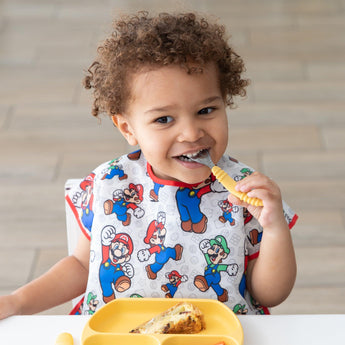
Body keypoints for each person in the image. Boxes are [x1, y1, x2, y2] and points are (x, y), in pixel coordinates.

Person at [0, 11, 297, 318]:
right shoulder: (111, 184)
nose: (192, 133)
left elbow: (270, 295)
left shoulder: (245, 191)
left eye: (206, 110)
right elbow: (80, 266)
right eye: (164, 119)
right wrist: (17, 302)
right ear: (128, 129)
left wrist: (274, 228)